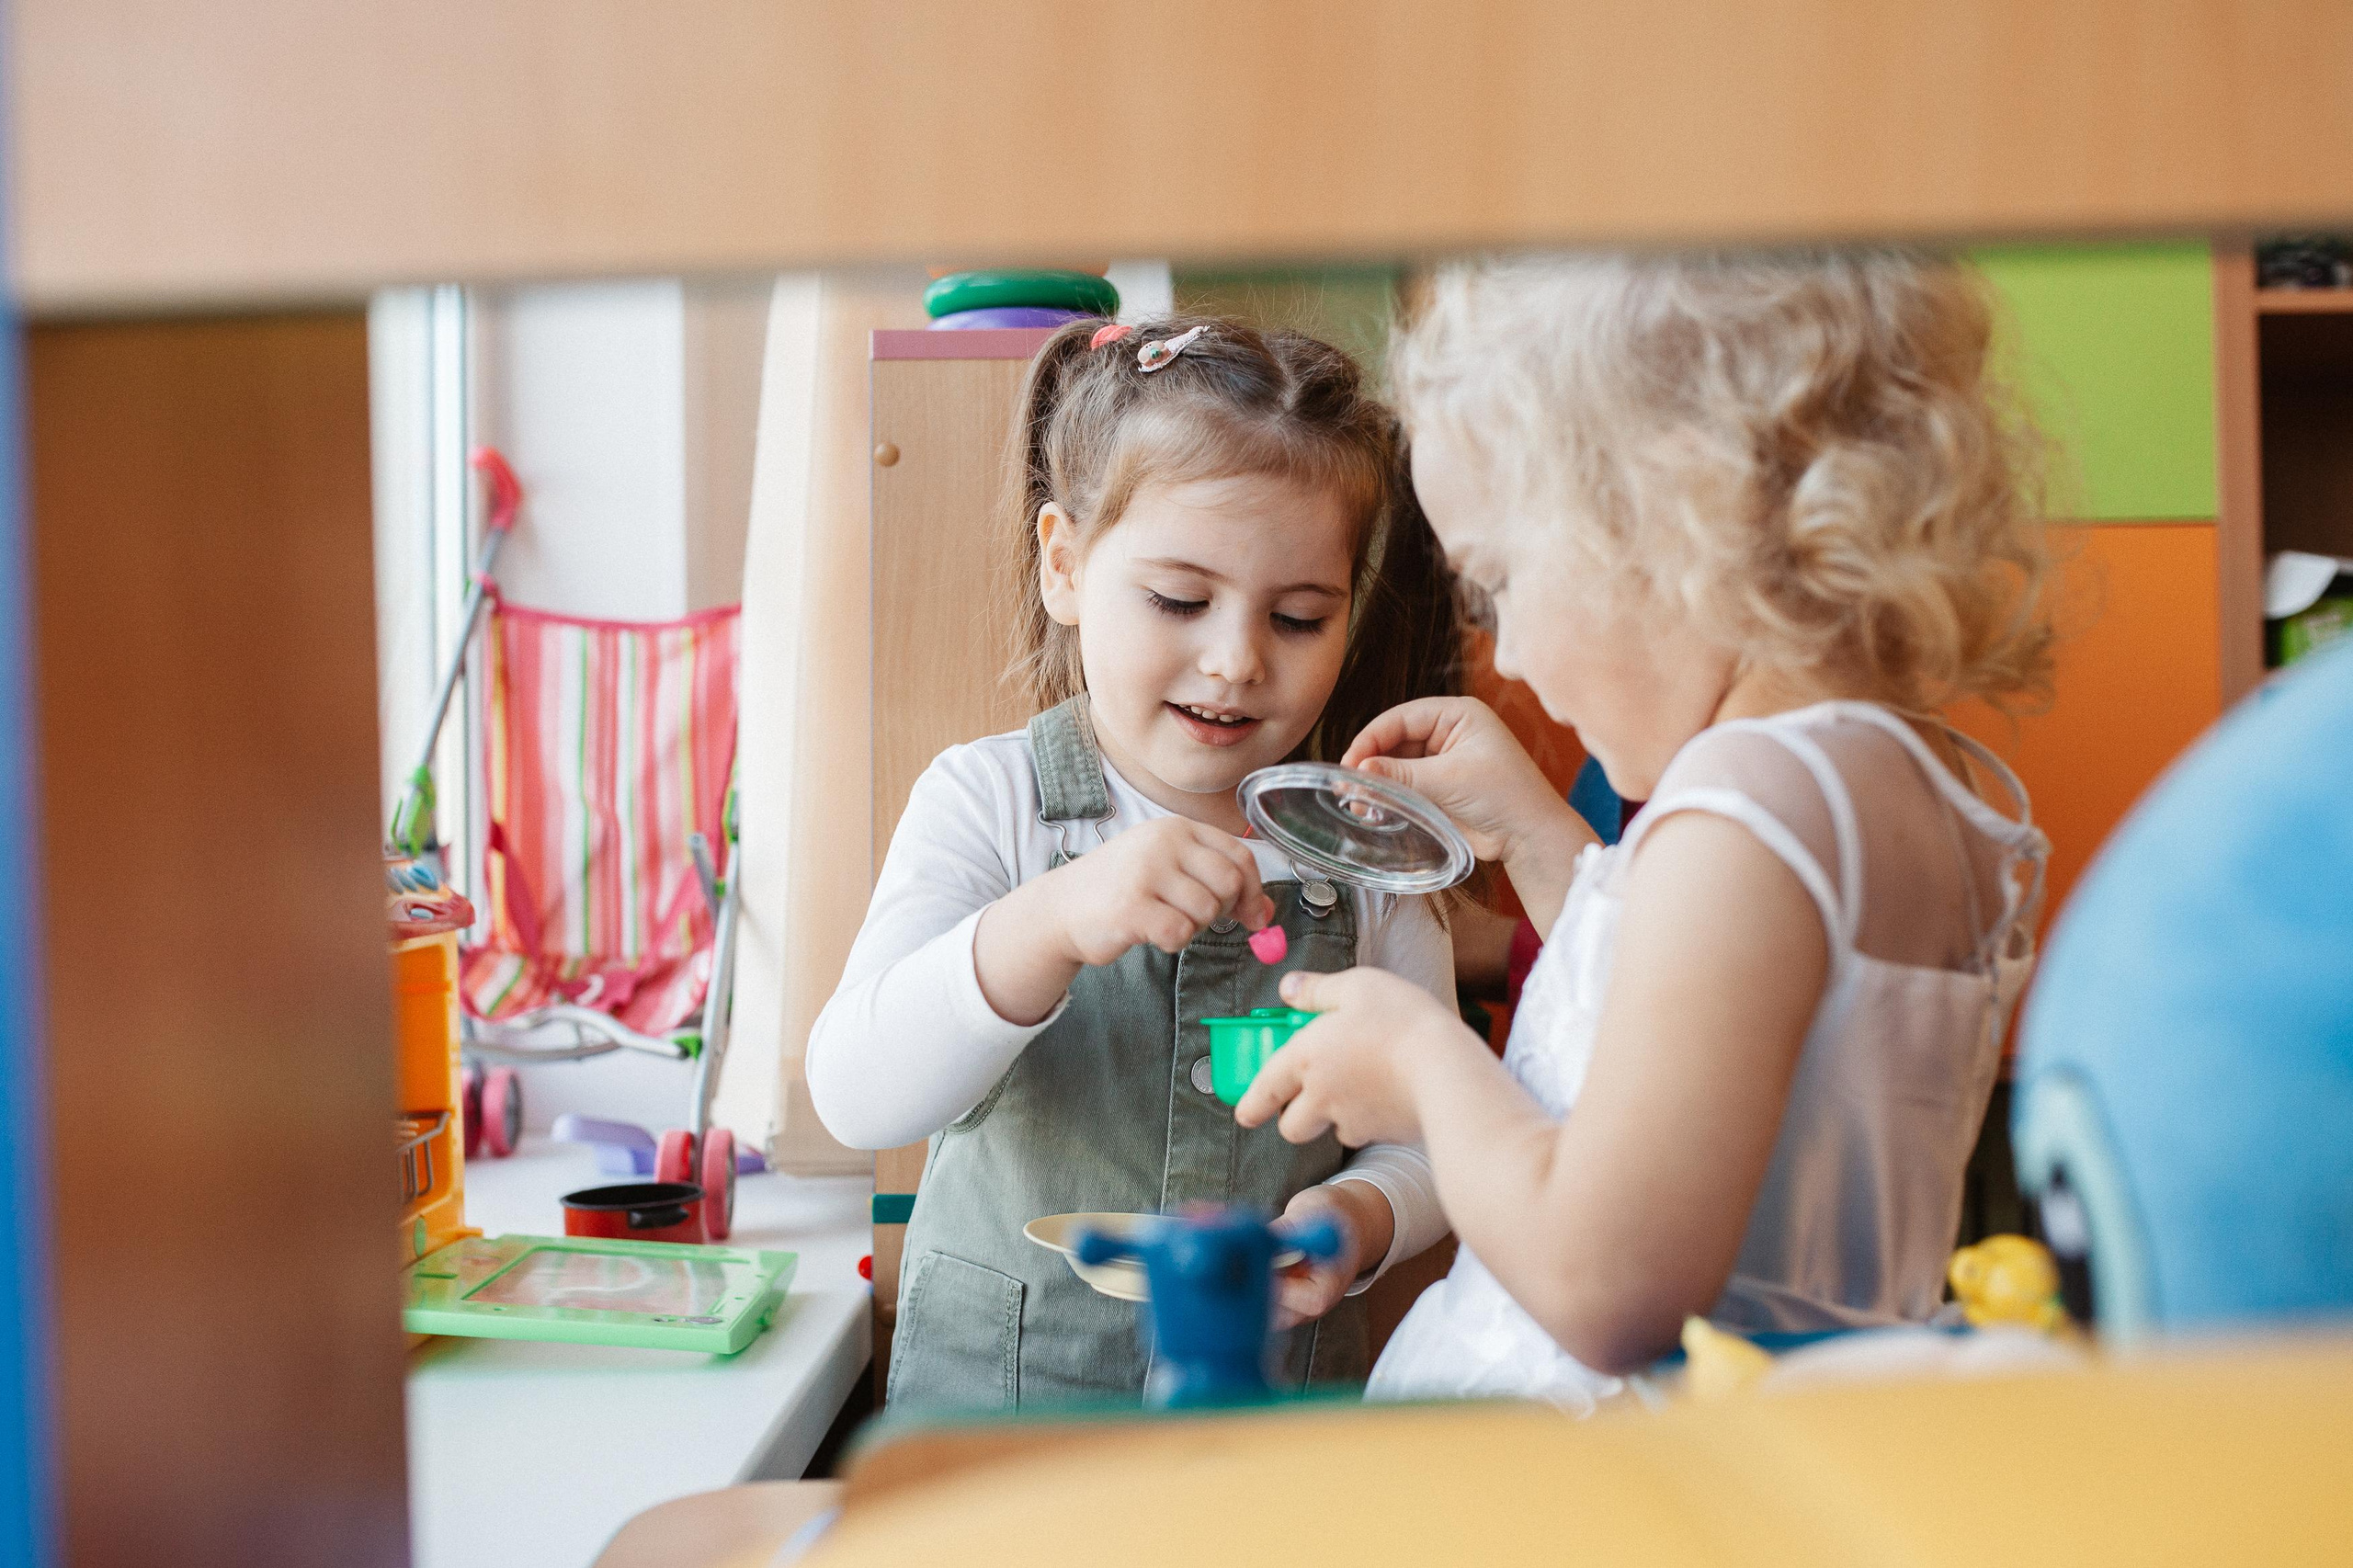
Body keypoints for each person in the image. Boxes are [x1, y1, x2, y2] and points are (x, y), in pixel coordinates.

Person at [1238, 251, 2054, 1412]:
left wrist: (1425, 1063)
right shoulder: (1907, 781)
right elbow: (1694, 1037)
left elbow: (1603, 1281)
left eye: (1502, 579)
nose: (1506, 649)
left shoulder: (1744, 807)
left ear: (1674, 515)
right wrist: (1535, 835)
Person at [808, 316, 1461, 1409]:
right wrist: (1048, 923)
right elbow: (858, 1095)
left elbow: (1440, 1134)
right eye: (1178, 599)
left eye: (1300, 616)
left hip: (1267, 1425)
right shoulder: (991, 799)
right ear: (1064, 564)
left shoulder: (1363, 848)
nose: (1238, 658)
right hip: (998, 1428)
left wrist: (1364, 1217)